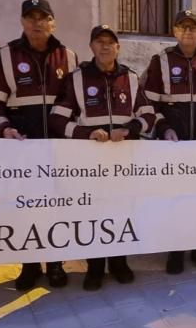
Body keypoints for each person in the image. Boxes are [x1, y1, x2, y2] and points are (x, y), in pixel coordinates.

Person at [49, 24, 156, 291]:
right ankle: (94, 268)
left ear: (118, 47)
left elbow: (149, 114)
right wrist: (86, 134)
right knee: (93, 212)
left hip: (122, 159)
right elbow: (57, 119)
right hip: (90, 161)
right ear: (91, 47)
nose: (105, 46)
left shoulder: (130, 78)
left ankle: (119, 263)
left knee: (121, 211)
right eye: (99, 41)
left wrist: (130, 129)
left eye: (110, 42)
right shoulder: (77, 79)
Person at [0, 0, 78, 291]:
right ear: (22, 22)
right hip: (21, 144)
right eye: (31, 17)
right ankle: (28, 265)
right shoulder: (6, 55)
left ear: (53, 22)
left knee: (55, 206)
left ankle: (54, 264)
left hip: (57, 146)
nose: (37, 23)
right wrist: (5, 127)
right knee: (24, 206)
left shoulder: (69, 56)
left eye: (43, 17)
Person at [143, 10, 196, 274]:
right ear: (175, 32)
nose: (188, 32)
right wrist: (163, 127)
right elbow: (148, 103)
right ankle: (176, 252)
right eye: (183, 28)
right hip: (173, 146)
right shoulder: (161, 61)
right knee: (174, 200)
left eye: (193, 28)